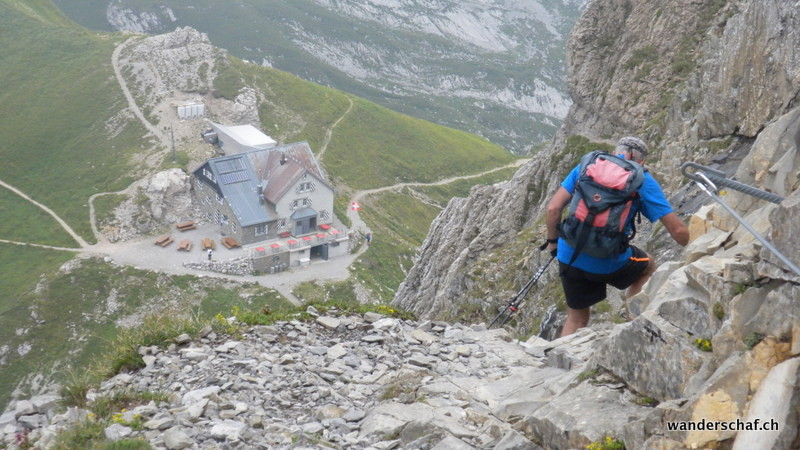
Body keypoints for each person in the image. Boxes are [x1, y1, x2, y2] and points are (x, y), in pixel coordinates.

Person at [545, 136, 689, 336]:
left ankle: (557, 361)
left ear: (614, 153)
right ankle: (632, 321)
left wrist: (553, 244)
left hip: (569, 253)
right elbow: (678, 230)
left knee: (577, 317)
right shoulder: (641, 179)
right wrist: (696, 254)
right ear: (641, 162)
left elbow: (553, 208)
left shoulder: (589, 165)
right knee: (647, 265)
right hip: (606, 258)